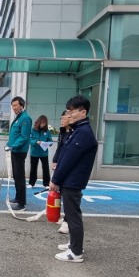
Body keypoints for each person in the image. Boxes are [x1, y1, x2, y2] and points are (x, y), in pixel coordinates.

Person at [50, 96, 98, 263]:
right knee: (71, 215)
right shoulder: (77, 130)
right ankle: (74, 244)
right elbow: (63, 153)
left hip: (73, 181)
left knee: (73, 216)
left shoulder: (83, 133)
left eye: (72, 111)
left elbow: (69, 159)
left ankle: (76, 252)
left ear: (83, 112)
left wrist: (55, 180)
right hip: (70, 180)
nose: (69, 114)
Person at [6, 96, 32, 210]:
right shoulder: (19, 117)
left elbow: (24, 136)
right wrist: (9, 144)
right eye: (12, 106)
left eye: (15, 105)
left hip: (19, 151)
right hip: (14, 150)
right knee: (16, 176)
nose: (14, 108)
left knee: (20, 177)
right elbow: (14, 134)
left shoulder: (25, 118)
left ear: (22, 105)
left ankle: (22, 203)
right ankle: (17, 197)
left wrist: (12, 146)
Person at [52, 110, 73, 235]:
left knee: (69, 194)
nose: (62, 119)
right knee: (60, 192)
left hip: (68, 168)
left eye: (64, 117)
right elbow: (59, 148)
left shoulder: (74, 133)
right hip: (60, 164)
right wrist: (55, 160)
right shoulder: (62, 132)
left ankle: (67, 220)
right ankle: (64, 217)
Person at [28, 115, 52, 188]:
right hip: (34, 152)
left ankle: (46, 183)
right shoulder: (32, 130)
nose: (43, 125)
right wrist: (36, 142)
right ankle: (31, 183)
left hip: (44, 153)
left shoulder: (47, 131)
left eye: (44, 123)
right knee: (33, 168)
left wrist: (49, 143)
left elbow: (50, 140)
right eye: (42, 123)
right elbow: (30, 140)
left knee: (45, 168)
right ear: (38, 122)